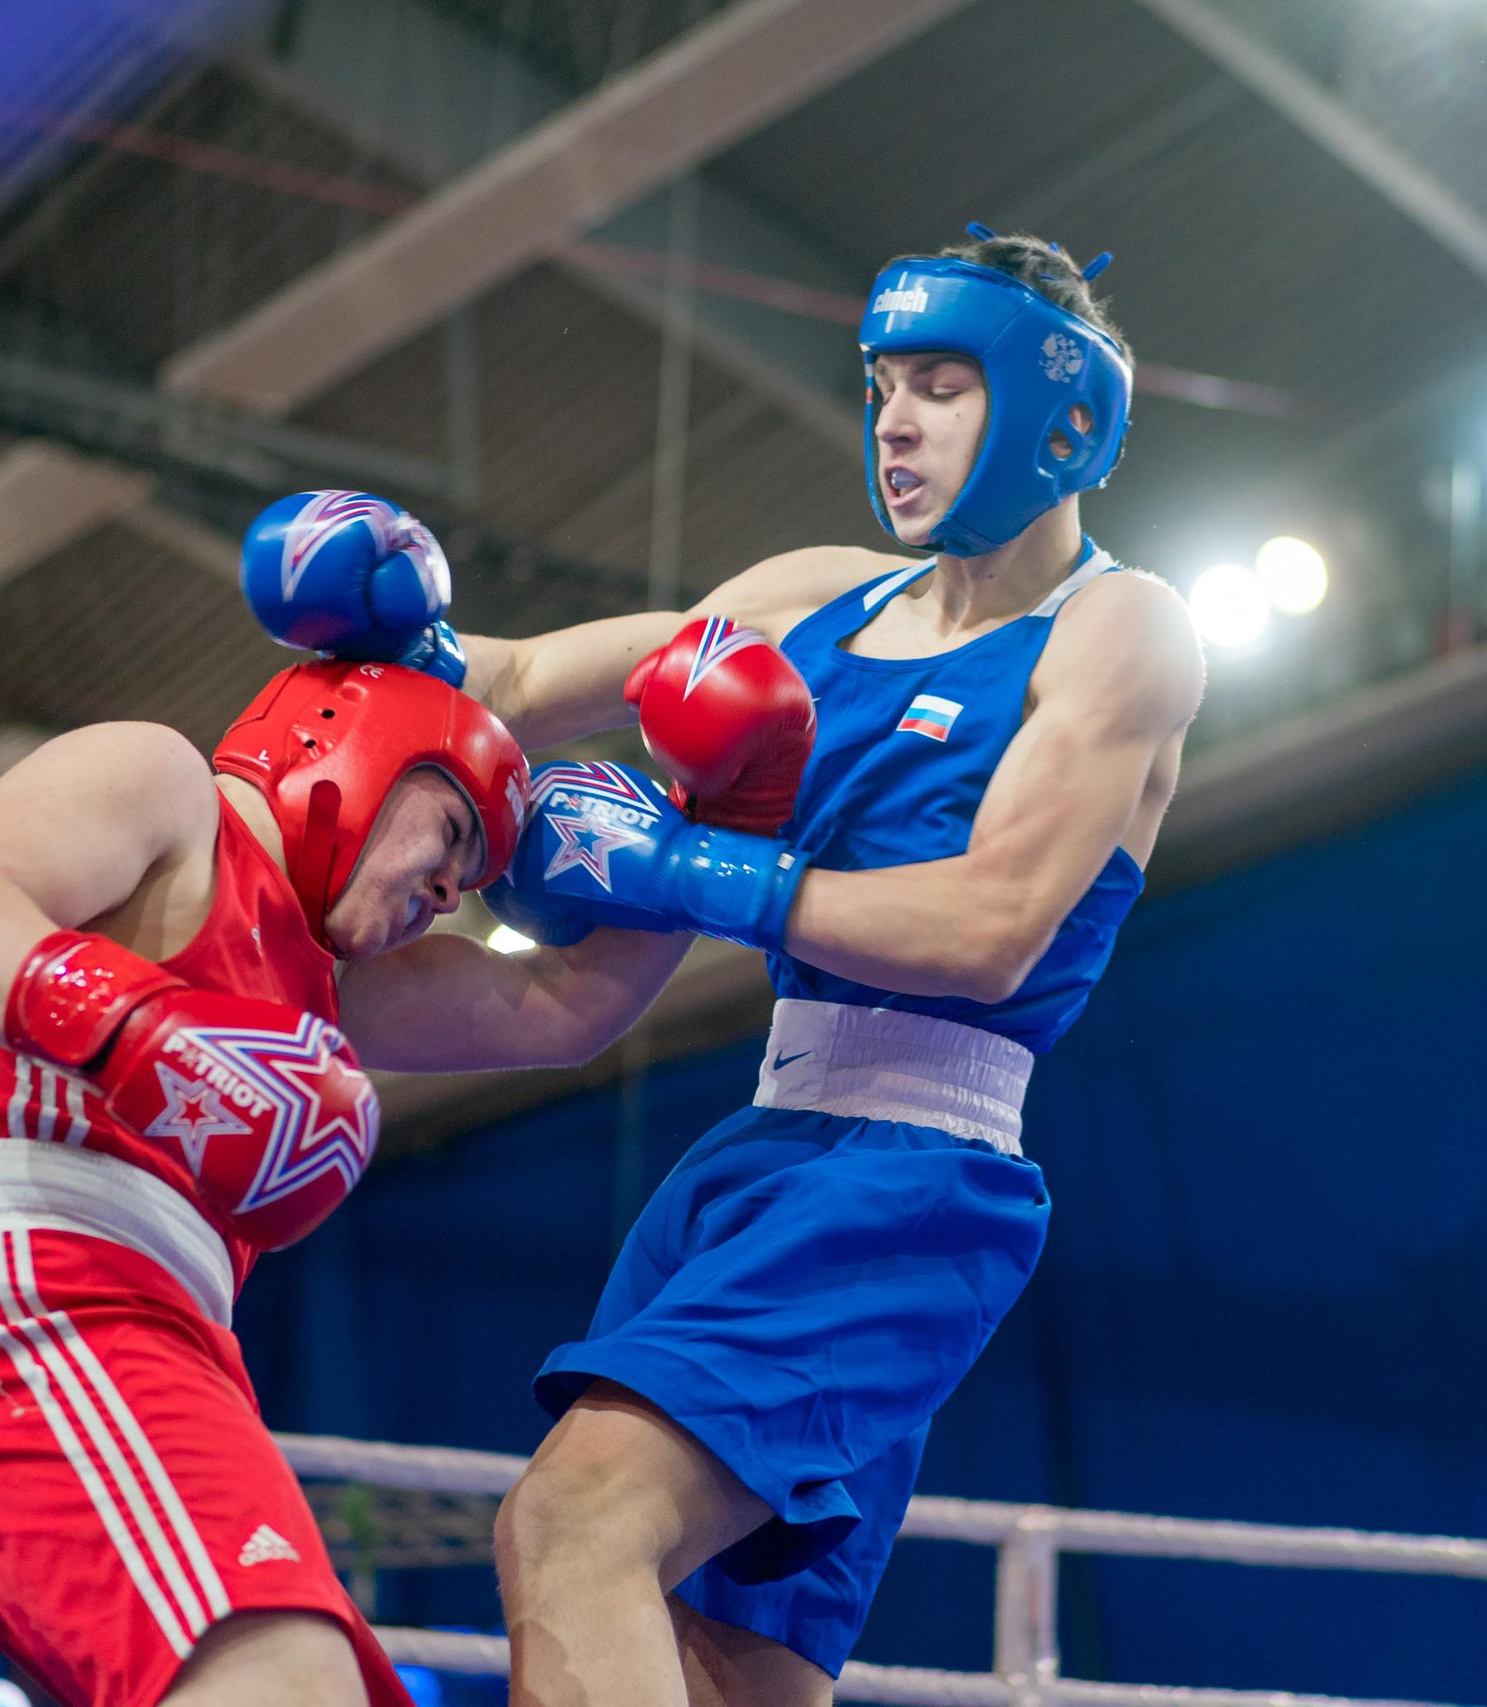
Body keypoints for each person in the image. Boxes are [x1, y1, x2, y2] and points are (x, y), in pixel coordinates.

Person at [247, 225, 1205, 1707]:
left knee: (571, 1526)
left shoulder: (1120, 626)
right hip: (763, 1151)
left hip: (914, 1172)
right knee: (731, 1667)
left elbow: (992, 923)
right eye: (886, 381)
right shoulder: (815, 596)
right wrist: (387, 621)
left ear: (1062, 411)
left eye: (942, 384)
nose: (891, 416)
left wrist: (692, 868)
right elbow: (507, 679)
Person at [0, 644, 689, 1707]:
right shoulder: (163, 789)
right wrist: (146, 1037)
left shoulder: (329, 988)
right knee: (284, 1682)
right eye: (452, 833)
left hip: (174, 1347)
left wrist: (721, 818)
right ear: (365, 751)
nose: (448, 886)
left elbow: (571, 1011)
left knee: (321, 1685)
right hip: (26, 1305)